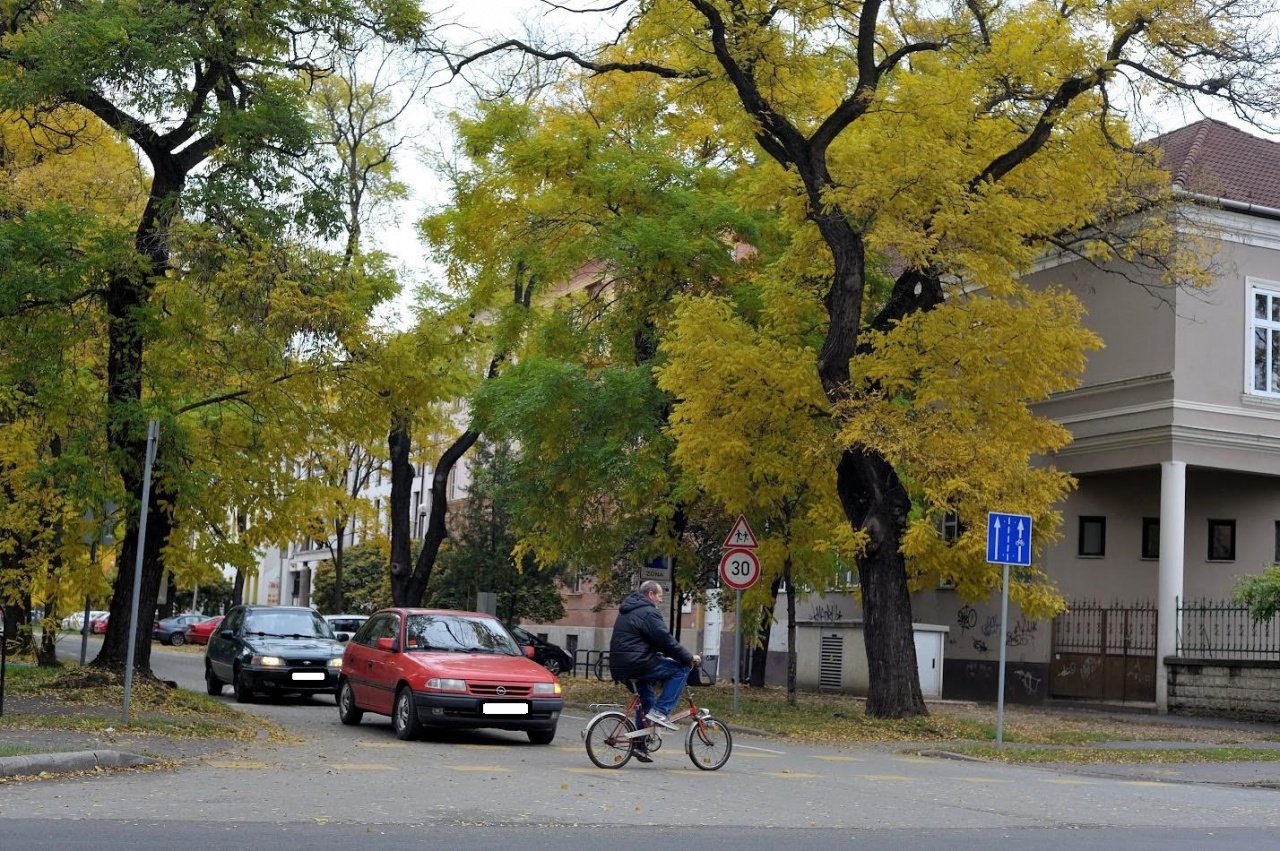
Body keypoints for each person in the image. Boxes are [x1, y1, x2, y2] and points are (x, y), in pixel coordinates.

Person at [609, 580, 701, 761]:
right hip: (638, 662)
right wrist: (689, 658)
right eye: (659, 596)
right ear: (650, 594)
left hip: (621, 664)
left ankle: (640, 745)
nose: (660, 599)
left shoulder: (628, 609)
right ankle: (661, 711)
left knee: (646, 700)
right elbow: (665, 641)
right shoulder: (649, 612)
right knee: (682, 668)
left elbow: (644, 641)